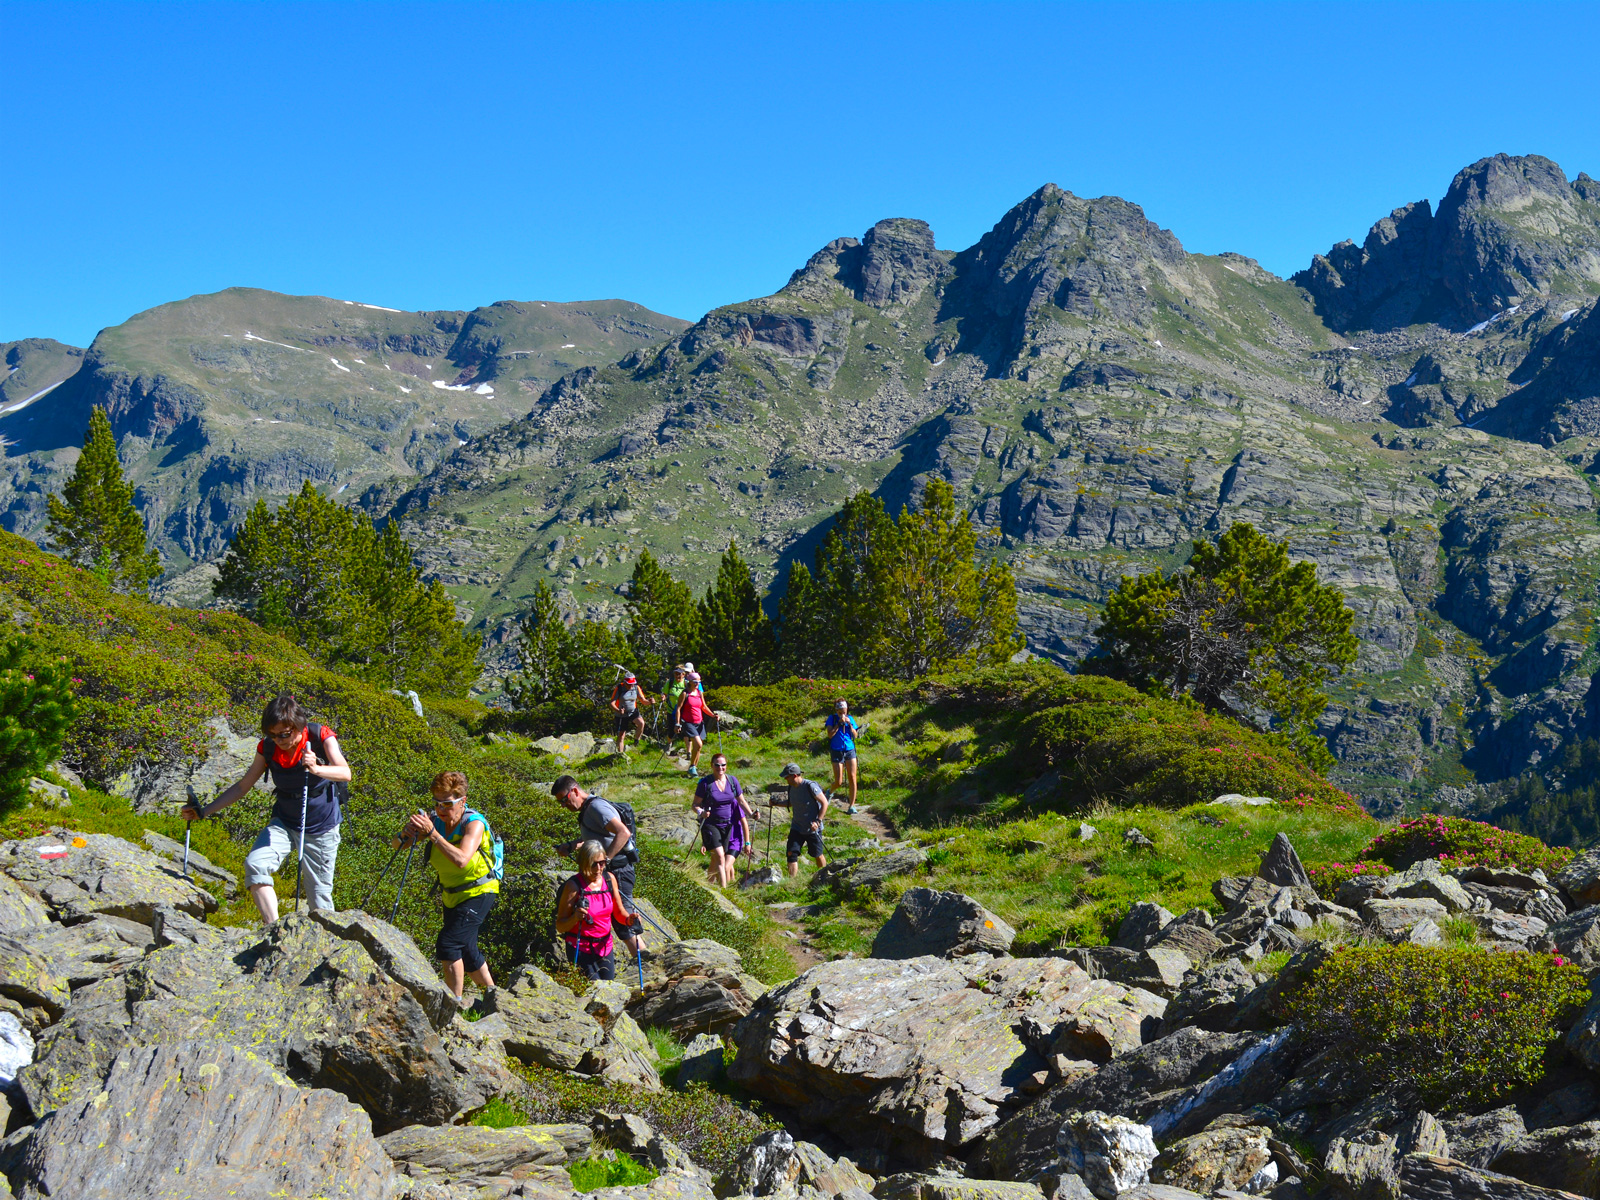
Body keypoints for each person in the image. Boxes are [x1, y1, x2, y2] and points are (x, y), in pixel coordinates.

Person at [180, 694, 351, 923]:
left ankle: (325, 947)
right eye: (272, 734)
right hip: (285, 822)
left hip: (321, 828)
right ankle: (274, 930)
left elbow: (345, 773)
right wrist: (204, 811)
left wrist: (317, 768)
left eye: (284, 734)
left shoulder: (320, 736)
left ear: (298, 726)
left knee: (319, 899)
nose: (278, 739)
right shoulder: (268, 748)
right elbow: (242, 787)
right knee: (256, 865)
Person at [395, 770, 499, 1003]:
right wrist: (407, 832)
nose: (441, 809)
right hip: (451, 894)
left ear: (462, 801)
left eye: (447, 803)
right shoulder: (436, 822)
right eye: (437, 803)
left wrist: (432, 834)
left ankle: (454, 1006)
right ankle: (495, 1001)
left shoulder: (474, 824)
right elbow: (397, 845)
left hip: (479, 891)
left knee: (449, 944)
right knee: (467, 950)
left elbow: (462, 860)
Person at [552, 776, 644, 956]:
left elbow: (623, 832)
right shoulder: (589, 809)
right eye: (560, 803)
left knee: (624, 923)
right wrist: (571, 846)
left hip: (618, 871)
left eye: (564, 800)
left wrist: (605, 861)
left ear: (575, 791)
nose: (564, 805)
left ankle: (647, 964)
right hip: (613, 871)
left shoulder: (596, 807)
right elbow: (595, 839)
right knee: (621, 922)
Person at [555, 840, 637, 980]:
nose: (599, 868)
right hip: (580, 949)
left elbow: (618, 911)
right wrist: (575, 917)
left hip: (605, 948)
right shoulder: (573, 886)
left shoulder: (609, 879)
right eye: (594, 864)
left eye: (602, 863)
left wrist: (629, 919)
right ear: (584, 863)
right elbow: (560, 926)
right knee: (591, 993)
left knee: (609, 991)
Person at [693, 753, 753, 887]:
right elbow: (695, 804)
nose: (720, 768)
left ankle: (708, 885)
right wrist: (701, 812)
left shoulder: (732, 781)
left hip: (727, 825)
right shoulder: (705, 783)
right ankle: (724, 892)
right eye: (717, 765)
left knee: (716, 859)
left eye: (723, 765)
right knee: (720, 856)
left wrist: (751, 814)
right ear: (711, 765)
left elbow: (741, 801)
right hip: (710, 824)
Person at [772, 762, 828, 878]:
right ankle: (792, 881)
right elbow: (792, 803)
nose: (786, 779)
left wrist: (818, 821)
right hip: (797, 827)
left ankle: (824, 877)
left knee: (817, 854)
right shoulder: (791, 788)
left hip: (812, 828)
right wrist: (776, 803)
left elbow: (824, 803)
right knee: (791, 853)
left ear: (795, 776)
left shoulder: (810, 786)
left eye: (787, 777)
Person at [825, 699, 862, 815]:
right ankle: (830, 792)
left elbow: (855, 735)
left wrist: (849, 724)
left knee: (852, 777)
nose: (843, 713)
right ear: (837, 710)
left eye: (844, 711)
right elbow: (830, 735)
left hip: (849, 749)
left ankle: (851, 806)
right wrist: (838, 724)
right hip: (836, 750)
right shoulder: (832, 718)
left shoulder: (850, 718)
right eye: (840, 711)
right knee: (839, 781)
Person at [610, 672, 652, 755]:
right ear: (625, 682)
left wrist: (650, 702)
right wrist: (618, 710)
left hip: (633, 711)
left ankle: (636, 741)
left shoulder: (636, 688)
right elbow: (612, 703)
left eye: (632, 684)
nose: (631, 686)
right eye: (629, 684)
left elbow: (643, 701)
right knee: (621, 735)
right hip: (621, 714)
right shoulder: (619, 688)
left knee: (641, 723)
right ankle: (620, 754)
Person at [677, 671, 708, 777]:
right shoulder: (685, 693)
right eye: (695, 681)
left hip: (699, 723)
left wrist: (713, 715)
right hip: (688, 723)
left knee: (698, 747)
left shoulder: (699, 693)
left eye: (698, 681)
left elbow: (703, 706)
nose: (697, 684)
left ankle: (693, 767)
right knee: (698, 744)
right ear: (689, 682)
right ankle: (692, 767)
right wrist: (677, 723)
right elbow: (678, 709)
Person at [660, 666, 688, 757]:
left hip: (683, 710)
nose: (677, 676)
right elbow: (665, 693)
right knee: (671, 729)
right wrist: (663, 697)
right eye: (676, 674)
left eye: (679, 674)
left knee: (686, 730)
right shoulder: (670, 682)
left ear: (684, 674)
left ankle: (687, 750)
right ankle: (669, 745)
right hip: (671, 710)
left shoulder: (686, 683)